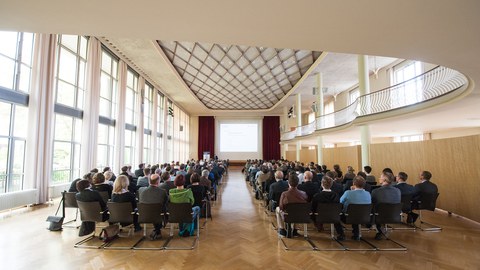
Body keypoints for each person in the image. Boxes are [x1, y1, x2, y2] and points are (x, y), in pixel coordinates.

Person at [311, 176, 345, 240]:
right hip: (334, 217)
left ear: (322, 184)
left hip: (320, 217)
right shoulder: (336, 195)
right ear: (331, 185)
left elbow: (313, 208)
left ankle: (319, 226)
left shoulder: (317, 196)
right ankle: (341, 233)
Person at [371, 172, 401, 240]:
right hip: (395, 215)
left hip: (379, 216)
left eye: (380, 177)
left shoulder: (375, 191)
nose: (379, 178)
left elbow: (372, 204)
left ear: (384, 180)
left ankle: (381, 230)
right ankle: (382, 230)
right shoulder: (398, 191)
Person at [340, 176, 371, 240]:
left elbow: (340, 202)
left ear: (353, 183)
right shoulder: (368, 194)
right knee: (357, 211)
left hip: (348, 217)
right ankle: (356, 233)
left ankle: (341, 233)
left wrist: (351, 191)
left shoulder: (348, 193)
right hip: (365, 217)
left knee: (352, 212)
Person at [138, 173, 168, 240]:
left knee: (155, 209)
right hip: (158, 215)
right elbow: (166, 202)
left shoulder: (141, 190)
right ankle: (157, 230)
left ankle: (157, 230)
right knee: (161, 209)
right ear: (158, 182)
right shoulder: (162, 192)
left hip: (144, 215)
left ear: (149, 181)